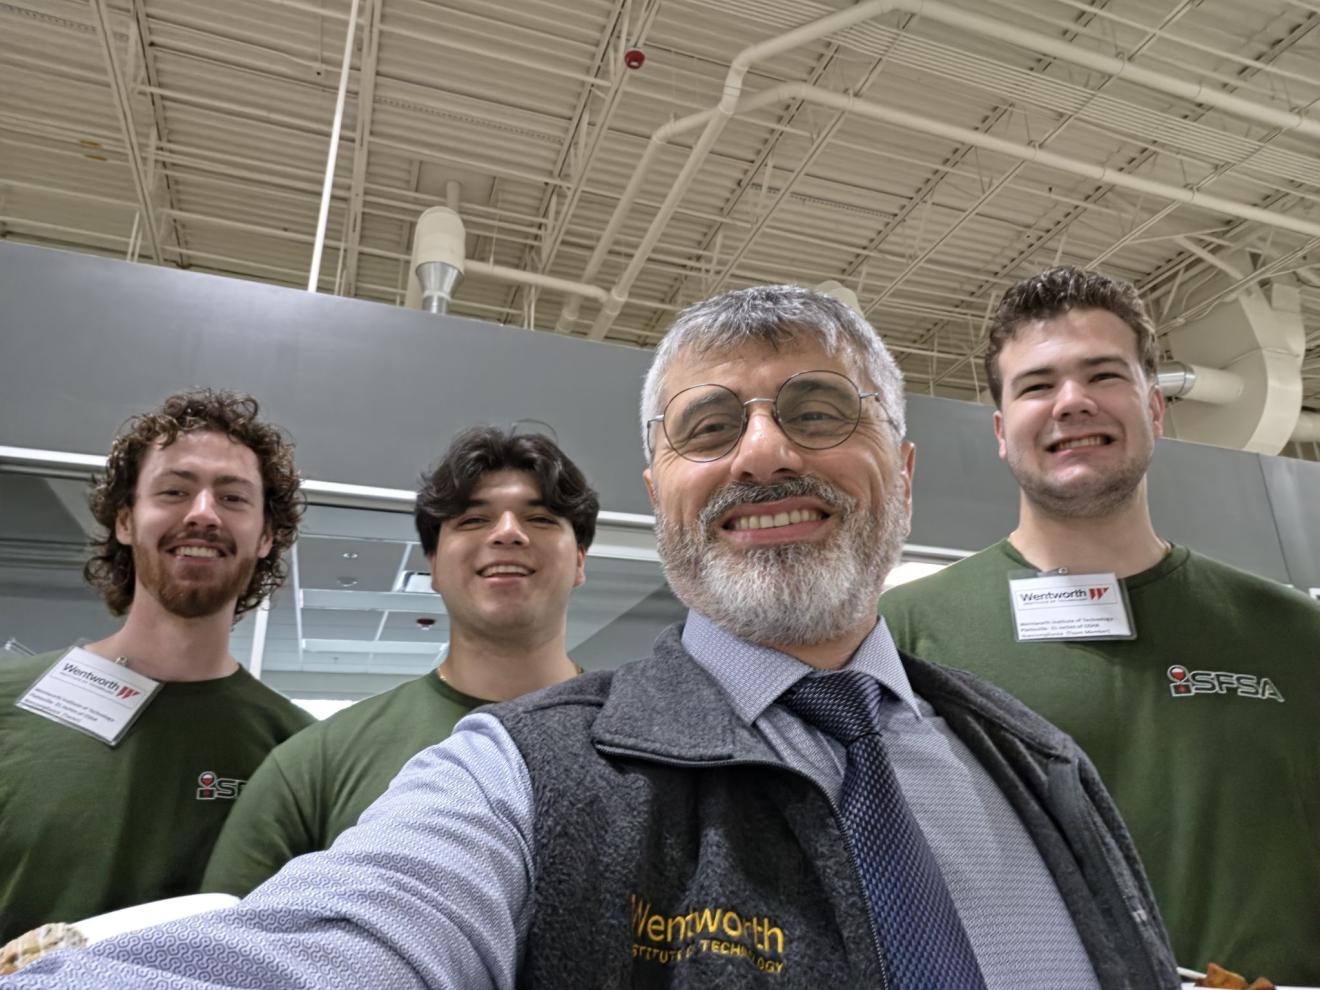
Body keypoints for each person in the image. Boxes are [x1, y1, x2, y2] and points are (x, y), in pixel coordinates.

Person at [2, 286, 1177, 989]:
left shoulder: (1041, 764)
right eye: (712, 426)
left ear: (906, 474)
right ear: (659, 484)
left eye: (819, 412)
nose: (764, 451)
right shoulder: (517, 776)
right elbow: (328, 942)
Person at [878, 266, 1320, 984]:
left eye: (1103, 375)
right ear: (1000, 430)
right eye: (1037, 385)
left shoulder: (1294, 637)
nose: (1072, 402)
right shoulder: (903, 639)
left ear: (1154, 406)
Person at [200, 427, 599, 896]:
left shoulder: (642, 746)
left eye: (541, 519)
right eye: (473, 520)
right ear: (433, 565)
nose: (508, 533)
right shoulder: (315, 764)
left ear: (578, 562)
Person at [0, 389, 313, 943]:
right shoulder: (9, 703)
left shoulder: (300, 754)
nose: (202, 514)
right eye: (174, 491)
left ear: (265, 538)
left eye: (234, 498)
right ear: (125, 521)